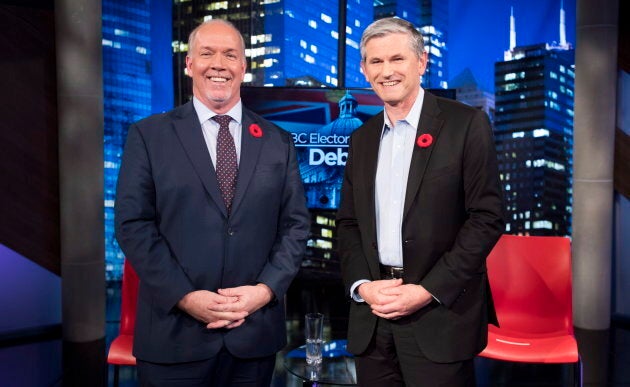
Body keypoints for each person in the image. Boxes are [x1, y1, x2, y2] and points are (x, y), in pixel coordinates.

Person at [115, 19, 310, 386]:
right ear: (189, 64)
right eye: (207, 53)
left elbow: (296, 226)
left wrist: (264, 290)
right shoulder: (148, 136)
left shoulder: (277, 141)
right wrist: (186, 297)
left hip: (253, 339)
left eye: (230, 54)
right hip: (173, 338)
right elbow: (132, 226)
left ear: (243, 67)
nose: (218, 63)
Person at [337, 17, 505, 386]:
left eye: (397, 59)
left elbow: (487, 217)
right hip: (373, 314)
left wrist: (427, 290)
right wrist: (363, 285)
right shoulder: (361, 139)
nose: (386, 71)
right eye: (376, 62)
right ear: (364, 70)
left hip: (439, 316)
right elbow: (348, 224)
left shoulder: (466, 124)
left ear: (421, 62)